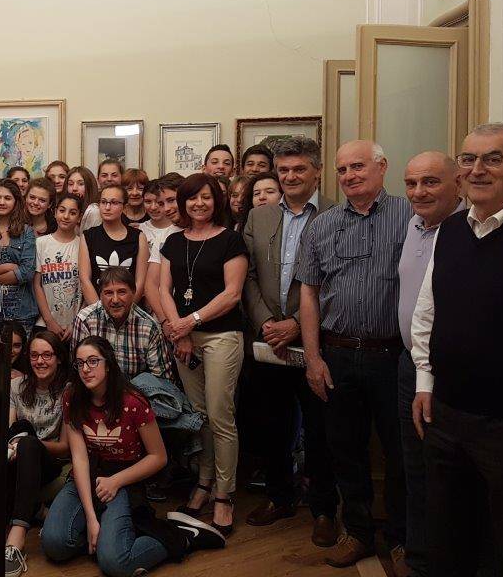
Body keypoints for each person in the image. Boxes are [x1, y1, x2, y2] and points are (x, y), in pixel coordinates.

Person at [411, 123, 503, 577]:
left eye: (492, 159)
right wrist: (424, 381)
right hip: (447, 413)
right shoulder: (453, 229)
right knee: (449, 535)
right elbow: (428, 309)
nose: (477, 169)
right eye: (468, 159)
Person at [297, 140, 411, 568]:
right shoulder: (322, 225)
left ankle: (401, 539)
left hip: (394, 356)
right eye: (343, 170)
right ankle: (358, 531)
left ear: (382, 167)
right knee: (345, 447)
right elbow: (308, 292)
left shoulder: (411, 217)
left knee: (401, 453)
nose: (350, 176)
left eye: (359, 166)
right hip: (338, 354)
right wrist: (313, 357)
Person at [42, 336, 219, 577]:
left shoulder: (132, 402)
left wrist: (116, 481)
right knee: (54, 544)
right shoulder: (72, 396)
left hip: (123, 480)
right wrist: (92, 519)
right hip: (87, 476)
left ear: (108, 363)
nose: (85, 369)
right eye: (80, 363)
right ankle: (108, 532)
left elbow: (158, 457)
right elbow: (80, 460)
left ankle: (181, 536)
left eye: (93, 361)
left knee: (116, 563)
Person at [241, 137, 338, 546]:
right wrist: (266, 322)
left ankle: (323, 510)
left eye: (299, 169)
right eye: (284, 171)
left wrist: (298, 324)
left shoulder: (337, 214)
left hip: (315, 340)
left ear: (317, 171)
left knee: (320, 427)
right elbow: (245, 275)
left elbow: (339, 281)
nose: (291, 177)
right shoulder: (258, 216)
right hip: (268, 341)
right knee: (272, 422)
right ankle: (280, 496)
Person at [159, 172, 247, 535]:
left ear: (217, 201)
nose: (199, 204)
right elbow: (163, 288)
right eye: (192, 198)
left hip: (222, 336)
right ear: (183, 203)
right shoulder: (173, 240)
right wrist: (179, 328)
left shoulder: (231, 240)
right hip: (186, 339)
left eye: (206, 198)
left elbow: (232, 294)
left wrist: (189, 322)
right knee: (199, 416)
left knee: (219, 414)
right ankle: (204, 484)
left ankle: (224, 495)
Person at [395, 152, 462, 577]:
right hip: (410, 367)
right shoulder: (413, 225)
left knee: (450, 475)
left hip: (451, 374)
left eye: (431, 182)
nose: (419, 192)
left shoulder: (466, 231)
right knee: (414, 468)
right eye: (413, 183)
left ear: (457, 182)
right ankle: (419, 558)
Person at [4, 330, 70, 577]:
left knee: (29, 442)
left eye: (47, 355)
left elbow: (65, 447)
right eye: (34, 356)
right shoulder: (15, 386)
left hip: (51, 463)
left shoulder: (68, 390)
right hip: (20, 457)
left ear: (59, 358)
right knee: (20, 434)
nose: (40, 361)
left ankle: (16, 539)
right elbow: (10, 431)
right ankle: (34, 510)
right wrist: (16, 444)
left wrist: (28, 444)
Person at [71, 267, 169, 380]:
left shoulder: (148, 326)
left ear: (133, 292)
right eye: (108, 293)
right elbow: (76, 371)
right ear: (100, 296)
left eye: (122, 292)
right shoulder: (85, 320)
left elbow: (162, 380)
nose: (115, 300)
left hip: (136, 392)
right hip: (94, 392)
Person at [0, 179, 38, 334]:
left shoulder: (27, 232)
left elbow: (26, 272)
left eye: (7, 198)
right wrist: (8, 267)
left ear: (16, 202)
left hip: (21, 312)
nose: (2, 202)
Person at [79, 184, 149, 306]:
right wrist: (101, 313)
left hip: (130, 310)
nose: (107, 207)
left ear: (124, 207)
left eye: (114, 203)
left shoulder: (138, 237)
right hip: (96, 310)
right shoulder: (89, 236)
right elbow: (85, 280)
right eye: (103, 202)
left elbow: (140, 282)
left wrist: (124, 310)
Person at [34, 192, 83, 340]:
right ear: (55, 212)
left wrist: (76, 322)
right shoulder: (41, 243)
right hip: (45, 323)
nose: (66, 216)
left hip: (75, 325)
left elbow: (87, 285)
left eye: (72, 212)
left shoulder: (84, 245)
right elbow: (37, 284)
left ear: (79, 217)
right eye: (62, 210)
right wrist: (49, 321)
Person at [141, 180, 182, 328]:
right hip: (162, 312)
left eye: (171, 201)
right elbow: (152, 284)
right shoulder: (166, 236)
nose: (166, 208)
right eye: (163, 202)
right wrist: (165, 320)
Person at [67, 166, 100, 231]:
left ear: (89, 187)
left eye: (81, 184)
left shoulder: (93, 211)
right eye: (70, 184)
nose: (74, 188)